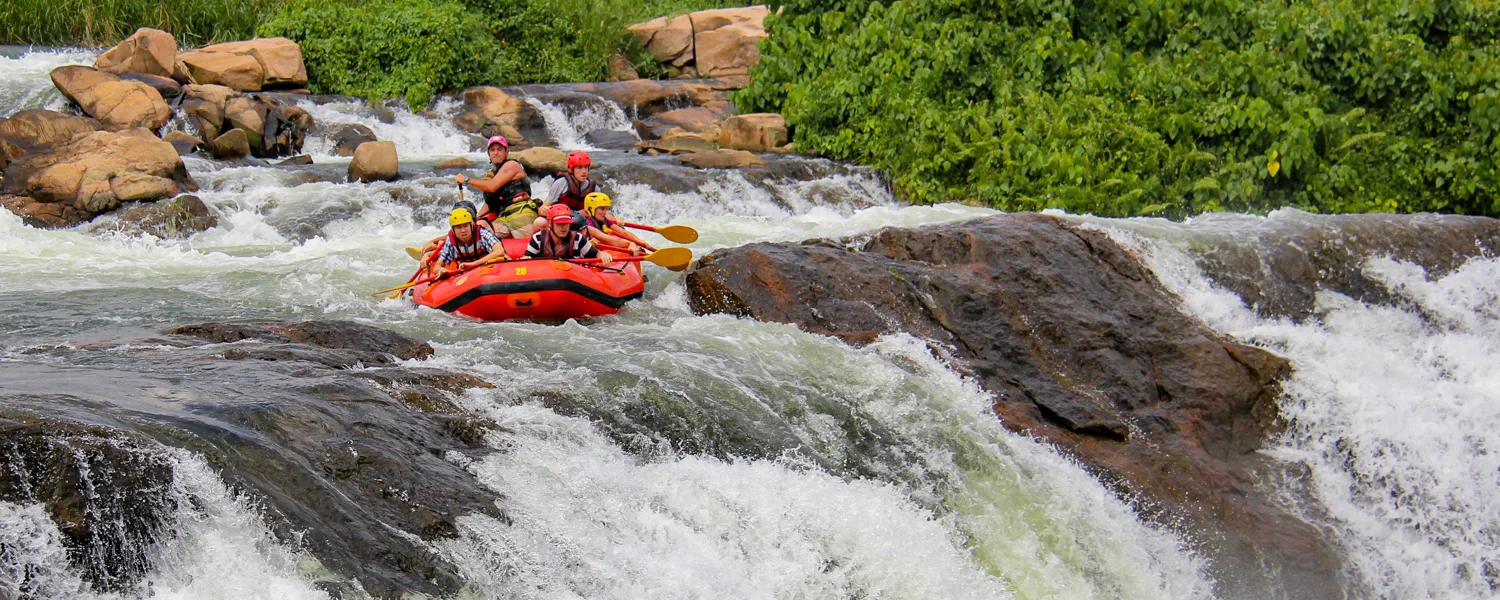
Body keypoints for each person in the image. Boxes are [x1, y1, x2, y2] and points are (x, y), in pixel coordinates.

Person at [457, 135, 537, 238]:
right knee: (479, 229)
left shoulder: (512, 165)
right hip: (503, 217)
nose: (495, 152)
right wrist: (476, 218)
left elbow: (491, 187)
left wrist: (467, 180)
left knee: (526, 243)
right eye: (492, 150)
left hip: (520, 212)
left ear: (506, 152)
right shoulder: (493, 174)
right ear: (489, 154)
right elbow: (490, 202)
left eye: (499, 149)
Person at [421, 207, 507, 277]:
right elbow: (437, 266)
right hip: (467, 276)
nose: (463, 230)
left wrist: (474, 264)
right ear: (453, 230)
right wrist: (442, 270)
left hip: (489, 269)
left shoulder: (482, 234)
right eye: (458, 227)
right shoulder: (451, 241)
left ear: (471, 226)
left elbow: (500, 251)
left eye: (465, 226)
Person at [525, 204, 613, 267]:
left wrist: (602, 254)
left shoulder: (578, 238)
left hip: (572, 278)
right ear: (550, 224)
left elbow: (596, 253)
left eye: (566, 223)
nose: (564, 228)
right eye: (559, 224)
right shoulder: (538, 239)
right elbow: (526, 260)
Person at [580, 192, 649, 255]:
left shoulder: (603, 220)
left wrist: (639, 241)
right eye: (602, 209)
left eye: (606, 209)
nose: (605, 212)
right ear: (591, 209)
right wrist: (629, 243)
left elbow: (624, 233)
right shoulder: (586, 223)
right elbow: (609, 241)